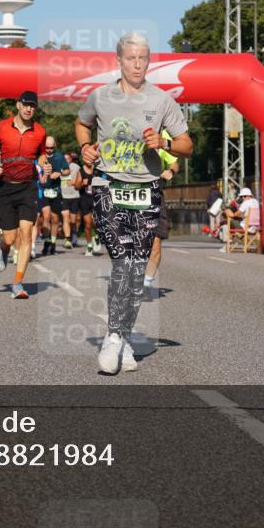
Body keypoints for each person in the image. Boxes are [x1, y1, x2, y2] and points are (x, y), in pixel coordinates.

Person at [76, 32, 192, 374]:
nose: (137, 64)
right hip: (108, 186)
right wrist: (85, 147)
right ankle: (115, 336)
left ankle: (121, 336)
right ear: (119, 61)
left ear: (148, 61)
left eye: (143, 58)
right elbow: (82, 124)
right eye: (131, 58)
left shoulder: (162, 101)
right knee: (121, 263)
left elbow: (186, 144)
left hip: (147, 190)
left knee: (137, 270)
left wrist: (165, 144)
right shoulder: (100, 96)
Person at [0, 90, 48, 299]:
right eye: (26, 104)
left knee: (26, 233)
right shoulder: (1, 127)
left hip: (28, 187)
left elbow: (40, 156)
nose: (29, 108)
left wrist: (44, 165)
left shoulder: (40, 132)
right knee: (10, 237)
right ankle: (3, 247)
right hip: (5, 187)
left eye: (33, 105)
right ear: (18, 105)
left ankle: (17, 283)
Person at [144, 134, 180, 290]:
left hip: (154, 195)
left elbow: (174, 162)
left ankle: (146, 283)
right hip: (128, 194)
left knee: (156, 241)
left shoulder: (160, 134)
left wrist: (171, 171)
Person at [38, 136, 70, 255]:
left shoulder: (59, 156)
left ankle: (53, 243)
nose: (49, 150)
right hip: (44, 189)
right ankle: (46, 243)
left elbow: (67, 170)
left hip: (56, 191)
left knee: (55, 219)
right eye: (47, 148)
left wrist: (60, 172)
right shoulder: (41, 156)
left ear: (55, 146)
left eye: (51, 148)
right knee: (46, 216)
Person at [60, 152, 82, 249]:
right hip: (63, 196)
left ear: (71, 159)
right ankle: (67, 239)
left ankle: (74, 235)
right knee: (66, 218)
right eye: (64, 159)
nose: (66, 160)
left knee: (73, 220)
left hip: (74, 196)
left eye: (67, 159)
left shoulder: (76, 167)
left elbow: (80, 179)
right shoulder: (59, 167)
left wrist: (75, 182)